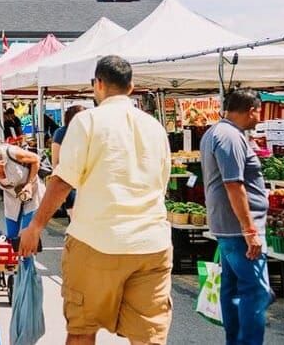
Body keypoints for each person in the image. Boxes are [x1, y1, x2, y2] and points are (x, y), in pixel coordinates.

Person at [19, 56, 171, 345]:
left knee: (82, 330)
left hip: (97, 240)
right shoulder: (155, 127)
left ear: (97, 84)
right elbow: (161, 183)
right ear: (132, 87)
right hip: (152, 244)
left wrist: (36, 226)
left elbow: (63, 180)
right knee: (149, 336)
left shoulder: (88, 121)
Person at [201, 89, 271, 345]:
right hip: (237, 229)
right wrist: (250, 229)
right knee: (255, 291)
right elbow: (234, 184)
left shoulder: (216, 132)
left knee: (233, 289)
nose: (258, 118)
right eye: (258, 112)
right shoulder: (230, 136)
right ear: (251, 109)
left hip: (228, 227)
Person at [0, 139, 42, 239]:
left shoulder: (11, 152)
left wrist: (29, 184)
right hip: (11, 198)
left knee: (27, 236)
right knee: (12, 237)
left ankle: (28, 254)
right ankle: (16, 253)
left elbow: (36, 159)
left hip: (31, 194)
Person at [51, 104, 86, 219]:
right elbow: (55, 162)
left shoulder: (89, 131)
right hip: (69, 182)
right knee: (74, 217)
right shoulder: (61, 132)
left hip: (87, 182)